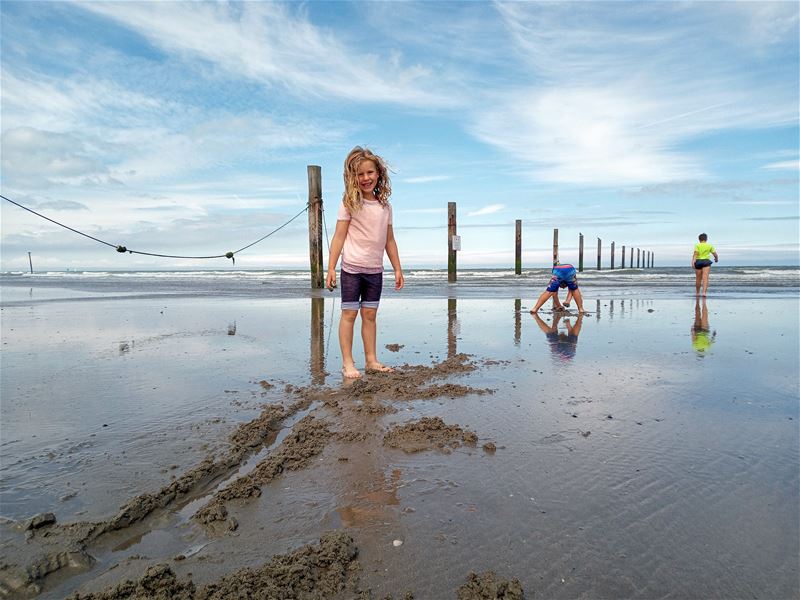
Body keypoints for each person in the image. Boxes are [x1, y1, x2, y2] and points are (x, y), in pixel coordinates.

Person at [326, 146, 404, 379]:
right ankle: (348, 363)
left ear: (379, 174)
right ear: (353, 177)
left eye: (370, 173)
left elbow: (389, 240)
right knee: (349, 315)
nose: (365, 178)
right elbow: (339, 236)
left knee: (370, 315)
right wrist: (330, 267)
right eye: (360, 174)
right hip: (351, 269)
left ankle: (371, 360)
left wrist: (397, 268)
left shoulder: (385, 207)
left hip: (374, 271)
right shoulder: (350, 203)